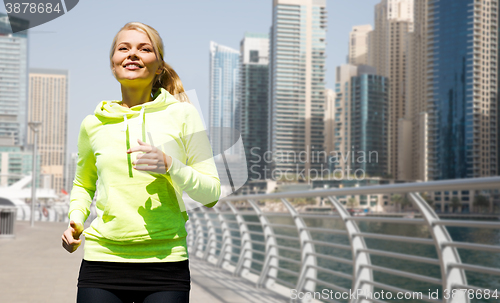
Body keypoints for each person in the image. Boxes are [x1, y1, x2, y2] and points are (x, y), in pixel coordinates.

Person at [61, 21, 221, 303]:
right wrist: (75, 219)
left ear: (159, 65)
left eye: (144, 49)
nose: (132, 54)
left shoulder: (184, 114)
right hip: (102, 261)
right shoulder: (92, 123)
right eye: (124, 48)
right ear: (113, 63)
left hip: (166, 263)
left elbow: (211, 194)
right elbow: (83, 183)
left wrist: (171, 165)